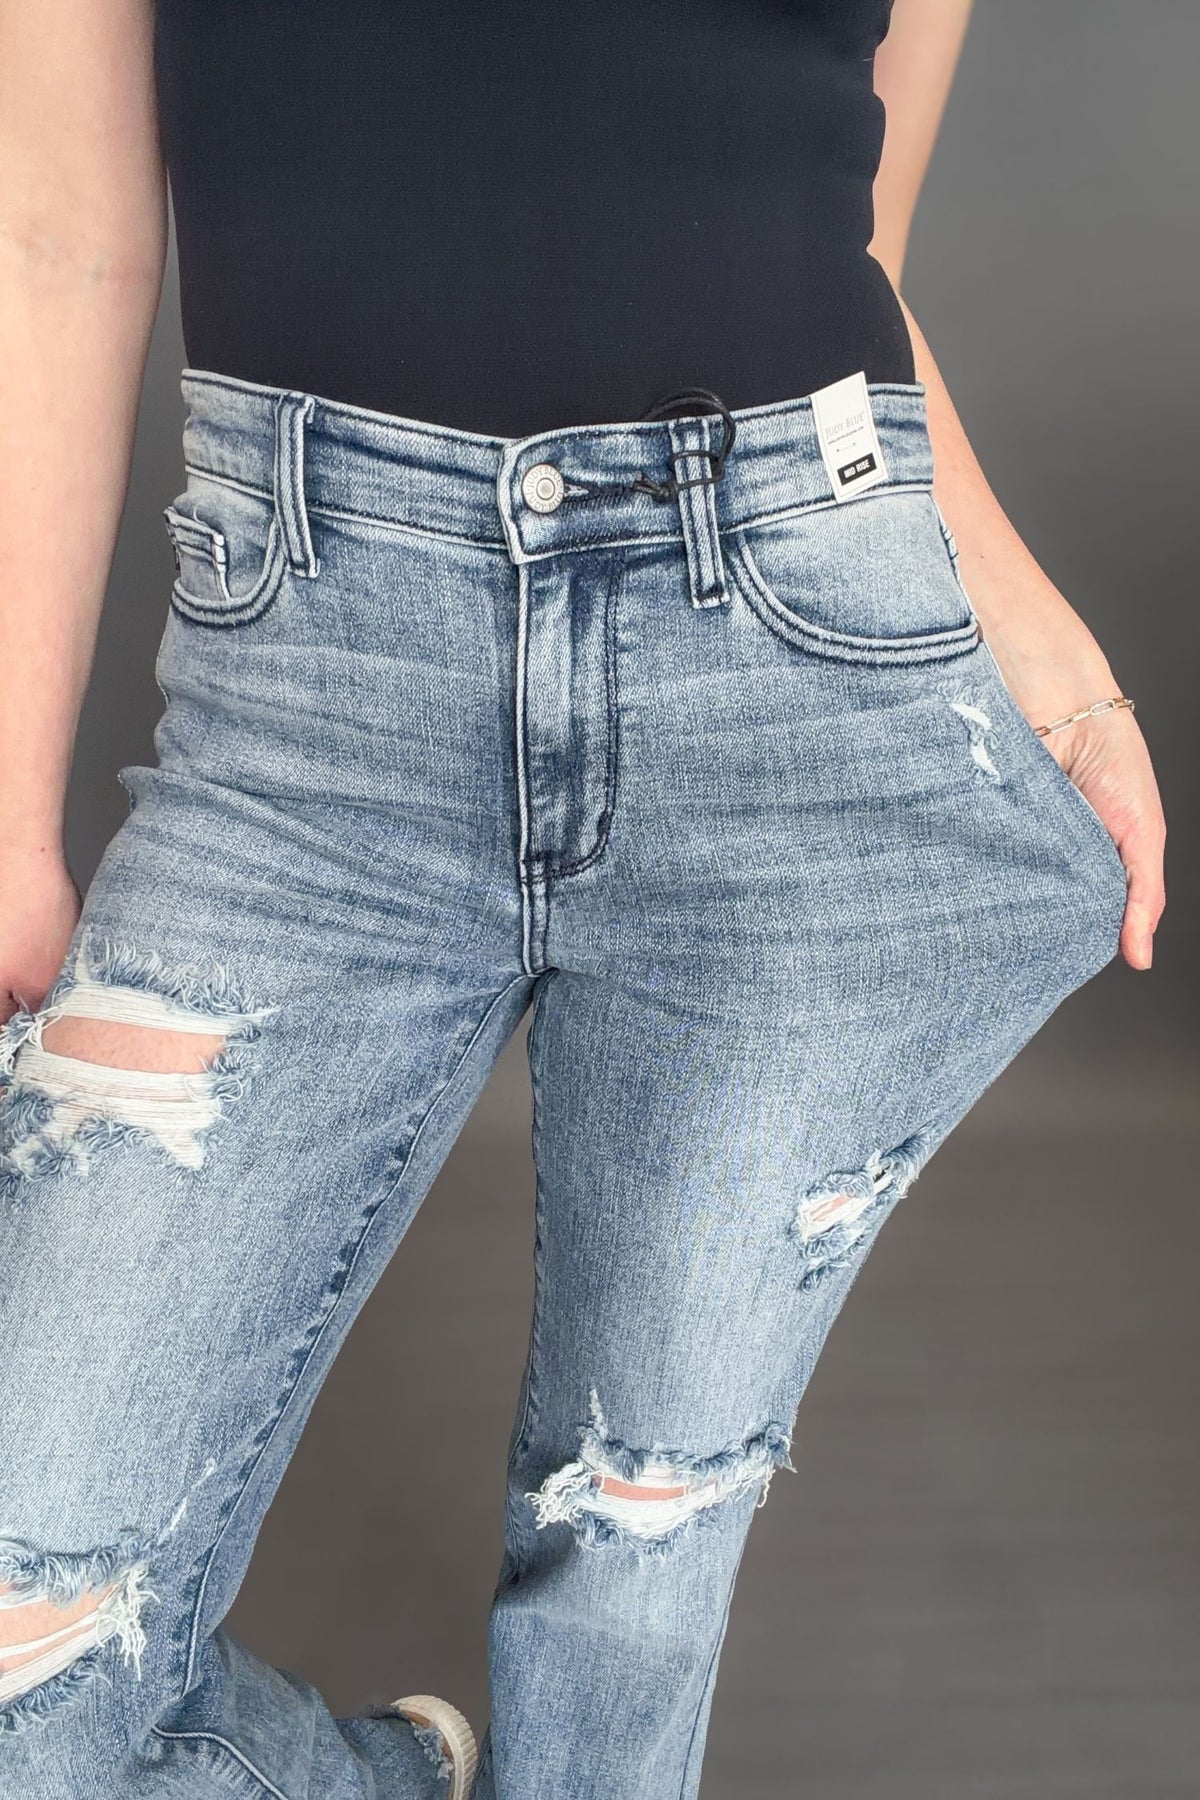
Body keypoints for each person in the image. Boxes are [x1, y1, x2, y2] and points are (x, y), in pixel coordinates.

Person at [0, 2, 1166, 1796]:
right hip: (309, 705)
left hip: (790, 656)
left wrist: (1057, 666)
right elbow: (53, 235)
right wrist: (9, 813)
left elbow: (850, 247)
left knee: (627, 1586)